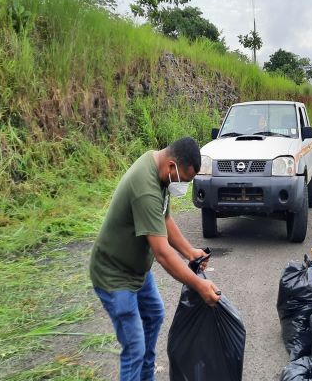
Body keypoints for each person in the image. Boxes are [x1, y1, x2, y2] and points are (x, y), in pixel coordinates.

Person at [89, 137, 221, 380]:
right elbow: (161, 253)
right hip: (114, 275)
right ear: (171, 166)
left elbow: (165, 219)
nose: (183, 185)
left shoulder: (160, 171)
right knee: (134, 349)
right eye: (184, 179)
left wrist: (190, 252)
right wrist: (199, 285)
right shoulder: (146, 188)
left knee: (154, 314)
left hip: (136, 270)